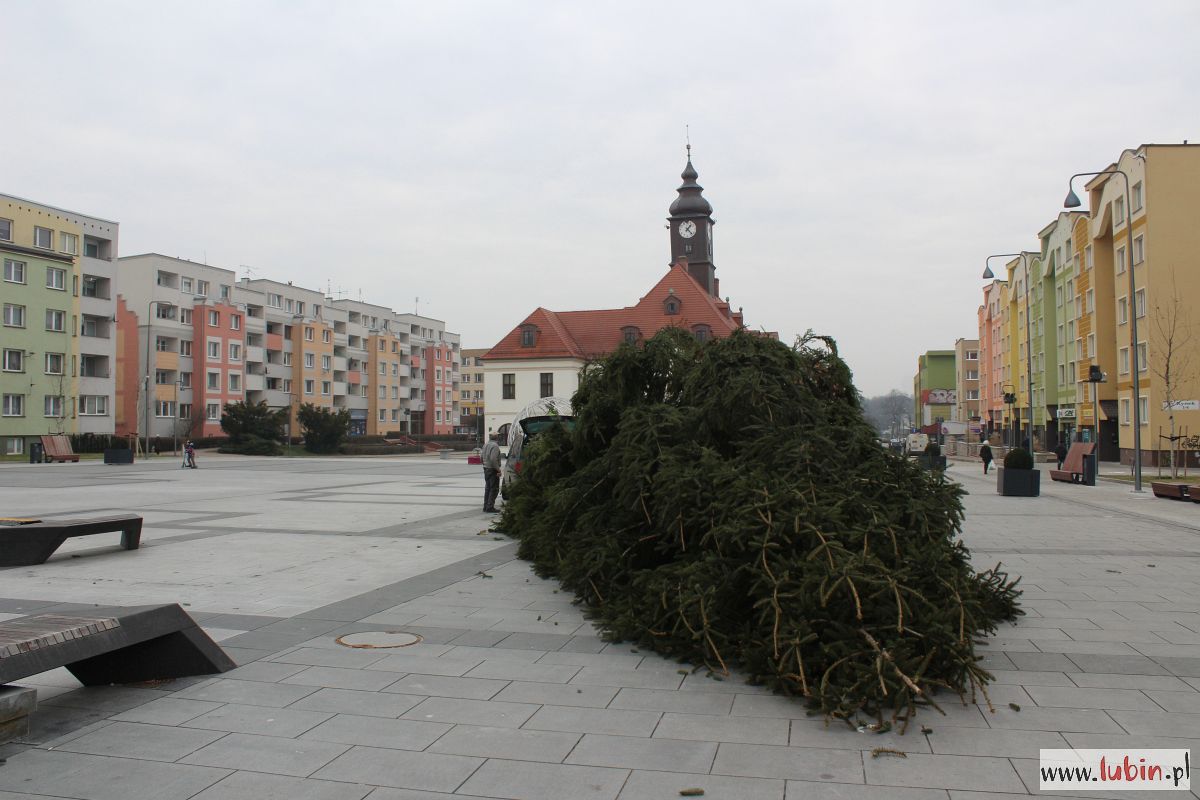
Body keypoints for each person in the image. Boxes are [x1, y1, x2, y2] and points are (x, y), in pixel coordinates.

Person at [481, 434, 501, 513]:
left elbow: (481, 457)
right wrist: (498, 470)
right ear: (497, 437)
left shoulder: (485, 444)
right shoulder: (495, 446)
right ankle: (490, 507)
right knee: (494, 489)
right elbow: (493, 459)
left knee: (488, 488)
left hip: (486, 468)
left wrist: (485, 465)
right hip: (493, 469)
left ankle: (485, 506)